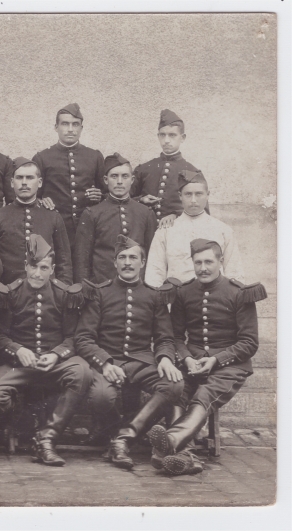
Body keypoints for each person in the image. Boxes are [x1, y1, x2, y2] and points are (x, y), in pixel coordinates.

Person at [148, 239, 266, 475]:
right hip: (193, 362)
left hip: (229, 366)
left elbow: (249, 342)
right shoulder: (183, 292)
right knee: (176, 387)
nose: (203, 268)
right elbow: (176, 336)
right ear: (192, 263)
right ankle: (185, 456)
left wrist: (215, 360)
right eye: (198, 262)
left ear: (220, 261)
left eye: (209, 262)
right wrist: (187, 359)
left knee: (204, 393)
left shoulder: (239, 293)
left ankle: (171, 442)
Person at [75, 235, 184, 470]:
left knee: (174, 384)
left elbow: (164, 337)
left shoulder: (154, 296)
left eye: (133, 257)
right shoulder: (99, 293)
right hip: (109, 361)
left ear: (142, 263)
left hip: (142, 362)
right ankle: (120, 437)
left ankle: (123, 439)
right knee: (102, 397)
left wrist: (165, 357)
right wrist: (104, 363)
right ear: (114, 262)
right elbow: (83, 338)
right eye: (122, 258)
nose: (127, 263)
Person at [0, 234, 90, 466]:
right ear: (25, 266)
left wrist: (56, 354)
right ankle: (18, 420)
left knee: (82, 373)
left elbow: (73, 337)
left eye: (43, 268)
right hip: (19, 364)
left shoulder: (64, 294)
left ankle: (46, 439)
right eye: (33, 267)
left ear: (52, 270)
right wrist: (17, 349)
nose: (37, 274)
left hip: (55, 362)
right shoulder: (11, 293)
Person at [145, 170, 244, 287]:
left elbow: (234, 272)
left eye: (198, 194)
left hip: (214, 299)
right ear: (180, 196)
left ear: (208, 195)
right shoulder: (166, 230)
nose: (193, 200)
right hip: (177, 300)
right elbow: (155, 272)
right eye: (188, 194)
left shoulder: (223, 230)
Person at [0, 157, 72, 284]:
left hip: (46, 295)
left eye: (30, 178)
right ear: (11, 182)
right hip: (8, 293)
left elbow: (64, 261)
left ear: (40, 182)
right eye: (19, 178)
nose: (24, 183)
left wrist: (63, 293)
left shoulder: (53, 216)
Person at [74, 153, 157, 284]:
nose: (119, 181)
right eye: (114, 176)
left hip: (138, 289)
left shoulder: (146, 213)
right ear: (106, 180)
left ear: (132, 179)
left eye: (125, 176)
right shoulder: (92, 213)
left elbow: (153, 256)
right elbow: (82, 259)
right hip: (102, 289)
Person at [32, 103, 105, 247]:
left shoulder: (94, 156)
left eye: (75, 124)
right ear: (56, 127)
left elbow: (107, 193)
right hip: (55, 229)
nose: (70, 129)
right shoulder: (42, 158)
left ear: (81, 128)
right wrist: (41, 201)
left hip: (88, 229)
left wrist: (100, 195)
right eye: (65, 124)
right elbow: (34, 197)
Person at [131, 109, 203, 228]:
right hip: (146, 233)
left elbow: (202, 211)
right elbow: (125, 199)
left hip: (178, 233)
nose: (167, 140)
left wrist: (177, 215)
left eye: (172, 135)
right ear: (158, 136)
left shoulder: (192, 172)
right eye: (162, 135)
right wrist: (141, 200)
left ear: (183, 138)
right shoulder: (144, 169)